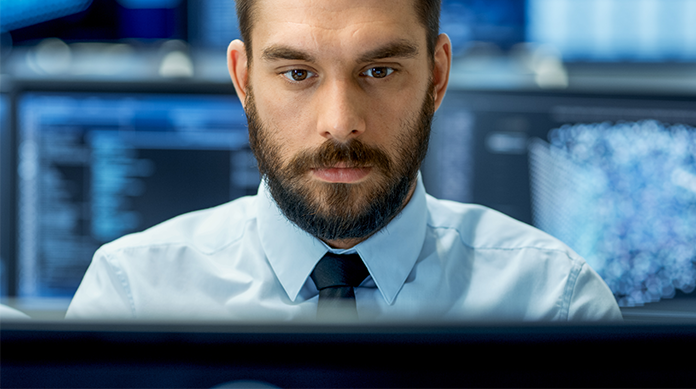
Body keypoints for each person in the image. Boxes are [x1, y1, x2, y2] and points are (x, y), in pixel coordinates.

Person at [65, 0, 621, 321]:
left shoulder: (554, 303)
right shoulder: (131, 296)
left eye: (379, 71)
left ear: (437, 75)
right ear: (243, 80)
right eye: (297, 74)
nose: (340, 122)